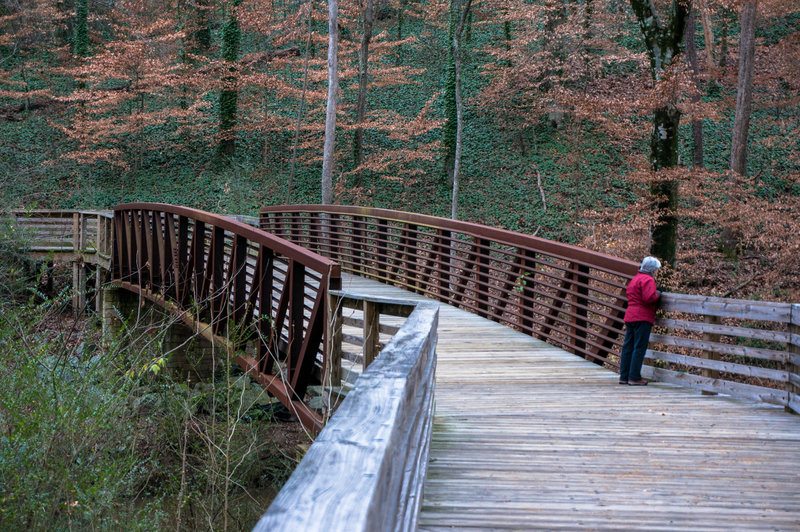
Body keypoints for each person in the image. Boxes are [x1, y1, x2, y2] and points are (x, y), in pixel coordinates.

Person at [619, 256, 662, 386]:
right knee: (639, 347)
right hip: (642, 317)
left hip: (630, 315)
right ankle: (634, 377)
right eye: (656, 269)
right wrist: (658, 294)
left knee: (628, 347)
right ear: (652, 269)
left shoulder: (635, 279)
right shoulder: (648, 280)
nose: (656, 272)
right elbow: (648, 298)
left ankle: (624, 376)